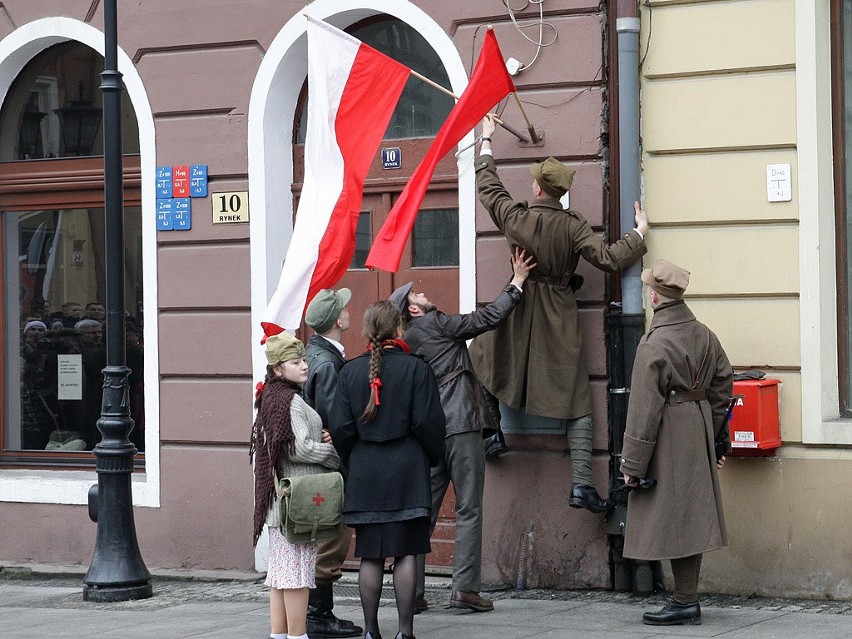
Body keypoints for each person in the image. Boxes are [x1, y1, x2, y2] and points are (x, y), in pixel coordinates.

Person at [468, 114, 649, 513]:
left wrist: (486, 141)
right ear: (561, 194)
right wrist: (639, 233)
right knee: (577, 401)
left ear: (537, 188)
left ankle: (492, 432)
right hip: (559, 317)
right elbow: (607, 258)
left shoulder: (518, 218)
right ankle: (582, 484)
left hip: (517, 304)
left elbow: (488, 188)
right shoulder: (573, 226)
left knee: (479, 354)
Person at [389, 247, 535, 615]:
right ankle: (465, 589)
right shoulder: (435, 324)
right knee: (469, 507)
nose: (421, 292)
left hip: (431, 434)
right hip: (461, 425)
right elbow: (485, 318)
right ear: (413, 309)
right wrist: (517, 282)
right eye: (416, 293)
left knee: (423, 512)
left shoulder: (411, 340)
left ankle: (414, 591)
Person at [619, 259, 733, 626]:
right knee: (691, 516)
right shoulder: (704, 333)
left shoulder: (653, 342)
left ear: (654, 296)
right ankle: (686, 598)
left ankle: (685, 601)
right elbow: (723, 384)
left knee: (674, 518)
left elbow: (642, 409)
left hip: (667, 433)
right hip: (696, 427)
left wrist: (632, 466)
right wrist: (711, 433)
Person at [329, 301, 446, 639]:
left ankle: (369, 631)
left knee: (370, 555)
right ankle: (405, 633)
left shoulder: (349, 371)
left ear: (367, 332)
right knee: (407, 551)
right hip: (407, 470)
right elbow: (430, 423)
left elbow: (340, 427)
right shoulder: (417, 369)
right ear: (399, 329)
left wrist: (356, 460)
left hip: (366, 471)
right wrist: (430, 457)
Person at [250, 332, 341, 639]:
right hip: (297, 504)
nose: (304, 366)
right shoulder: (289, 401)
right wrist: (331, 453)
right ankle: (298, 636)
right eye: (296, 362)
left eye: (303, 360)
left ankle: (279, 635)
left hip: (284, 503)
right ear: (278, 369)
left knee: (280, 575)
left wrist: (320, 436)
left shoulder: (273, 397)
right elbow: (298, 447)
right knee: (297, 576)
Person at [302, 288, 362, 639]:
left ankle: (318, 614)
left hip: (328, 468)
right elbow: (332, 419)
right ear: (337, 320)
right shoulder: (326, 364)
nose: (348, 310)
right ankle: (319, 617)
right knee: (331, 542)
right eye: (344, 308)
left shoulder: (321, 355)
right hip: (332, 470)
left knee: (326, 540)